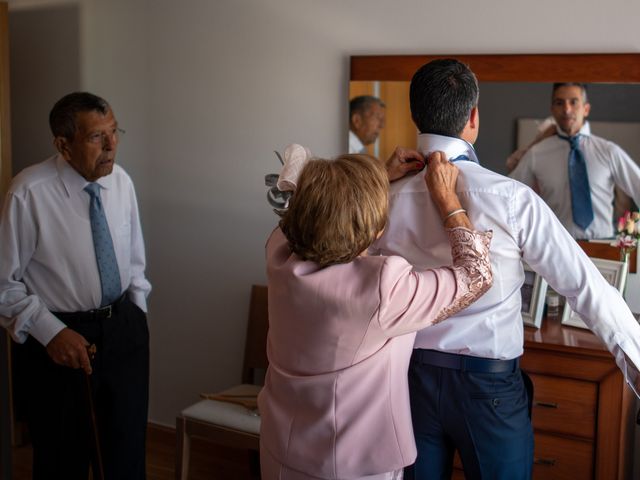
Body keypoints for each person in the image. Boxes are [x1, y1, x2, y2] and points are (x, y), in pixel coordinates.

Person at [372, 59, 640, 480]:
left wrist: (371, 183)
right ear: (474, 117)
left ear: (413, 114)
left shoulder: (379, 197)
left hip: (405, 380)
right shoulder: (511, 198)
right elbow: (585, 286)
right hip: (488, 389)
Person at [258, 146, 494, 480]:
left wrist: (375, 178)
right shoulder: (381, 287)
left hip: (281, 447)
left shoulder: (278, 251)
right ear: (375, 231)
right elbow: (477, 275)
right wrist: (447, 202)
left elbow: (309, 202)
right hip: (352, 464)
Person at [0, 92, 152, 479]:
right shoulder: (28, 193)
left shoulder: (121, 182)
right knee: (62, 459)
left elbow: (135, 261)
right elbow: (4, 285)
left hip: (123, 330)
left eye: (114, 132)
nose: (111, 144)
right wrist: (51, 333)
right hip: (61, 339)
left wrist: (137, 314)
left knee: (127, 451)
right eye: (96, 137)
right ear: (63, 145)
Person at [507, 82, 640, 239]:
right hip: (557, 246)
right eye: (559, 103)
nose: (566, 109)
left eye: (573, 102)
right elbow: (509, 198)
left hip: (604, 249)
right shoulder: (536, 154)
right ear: (552, 110)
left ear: (586, 109)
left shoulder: (608, 151)